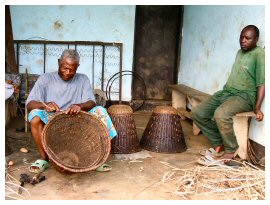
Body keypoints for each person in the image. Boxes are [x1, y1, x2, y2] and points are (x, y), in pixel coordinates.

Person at [26, 49, 117, 173]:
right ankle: (45, 159)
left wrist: (80, 106)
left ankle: (98, 159)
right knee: (34, 116)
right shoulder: (45, 79)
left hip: (77, 117)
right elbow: (29, 104)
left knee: (100, 110)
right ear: (59, 62)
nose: (68, 72)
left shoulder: (83, 79)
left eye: (72, 69)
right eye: (65, 68)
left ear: (77, 67)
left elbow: (91, 102)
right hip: (52, 117)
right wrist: (45, 105)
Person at [191, 25, 265, 164]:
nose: (243, 40)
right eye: (241, 37)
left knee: (221, 113)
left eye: (247, 38)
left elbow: (262, 83)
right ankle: (218, 142)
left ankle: (231, 149)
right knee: (197, 113)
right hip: (227, 92)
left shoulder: (260, 54)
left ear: (256, 39)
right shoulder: (239, 52)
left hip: (244, 96)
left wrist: (257, 107)